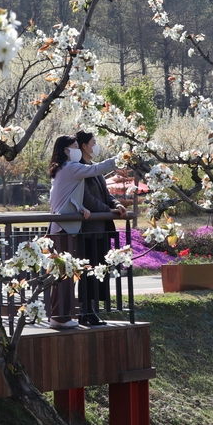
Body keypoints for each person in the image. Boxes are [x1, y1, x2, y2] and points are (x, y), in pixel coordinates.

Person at [47, 135, 118, 330]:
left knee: (66, 272)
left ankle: (61, 315)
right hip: (64, 229)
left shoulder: (63, 169)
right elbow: (96, 169)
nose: (78, 149)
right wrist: (119, 159)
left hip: (63, 227)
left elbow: (64, 198)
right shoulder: (70, 168)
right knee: (64, 274)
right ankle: (59, 317)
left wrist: (79, 207)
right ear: (66, 150)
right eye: (75, 146)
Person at [74, 130, 127, 326]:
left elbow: (105, 193)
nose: (96, 146)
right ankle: (85, 311)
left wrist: (116, 205)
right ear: (84, 147)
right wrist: (107, 209)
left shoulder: (92, 168)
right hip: (89, 230)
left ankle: (91, 310)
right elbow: (86, 197)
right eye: (93, 142)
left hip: (100, 228)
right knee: (89, 270)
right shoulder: (79, 169)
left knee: (100, 269)